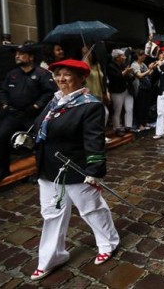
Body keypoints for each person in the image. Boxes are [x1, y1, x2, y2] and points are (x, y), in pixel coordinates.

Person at [30, 59, 119, 281]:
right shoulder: (55, 102)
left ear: (81, 78)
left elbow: (94, 140)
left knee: (91, 209)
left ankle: (108, 242)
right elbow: (43, 128)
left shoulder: (90, 105)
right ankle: (52, 257)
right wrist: (29, 137)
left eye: (66, 74)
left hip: (76, 169)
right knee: (51, 214)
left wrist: (95, 170)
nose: (60, 79)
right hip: (49, 169)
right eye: (57, 74)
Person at [0, 44, 57, 184]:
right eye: (16, 54)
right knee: (0, 138)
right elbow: (3, 91)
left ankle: (42, 171)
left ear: (31, 57)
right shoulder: (12, 74)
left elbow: (50, 92)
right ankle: (2, 170)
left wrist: (35, 106)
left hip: (34, 115)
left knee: (39, 142)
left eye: (21, 54)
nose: (17, 56)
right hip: (14, 114)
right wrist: (6, 105)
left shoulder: (42, 74)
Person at [107, 49, 134, 136]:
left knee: (129, 108)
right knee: (117, 110)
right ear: (117, 58)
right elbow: (116, 77)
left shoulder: (123, 65)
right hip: (117, 90)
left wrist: (129, 73)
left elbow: (129, 76)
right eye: (122, 56)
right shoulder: (111, 66)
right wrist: (125, 72)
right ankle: (117, 128)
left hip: (126, 89)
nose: (124, 57)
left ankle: (128, 126)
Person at [131, 49, 154, 131]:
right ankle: (139, 124)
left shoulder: (143, 64)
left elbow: (148, 74)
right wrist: (149, 70)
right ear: (137, 56)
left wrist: (152, 68)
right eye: (141, 55)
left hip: (147, 87)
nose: (144, 56)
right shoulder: (134, 65)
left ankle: (144, 122)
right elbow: (139, 75)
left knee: (146, 106)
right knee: (140, 106)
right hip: (140, 88)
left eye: (144, 55)